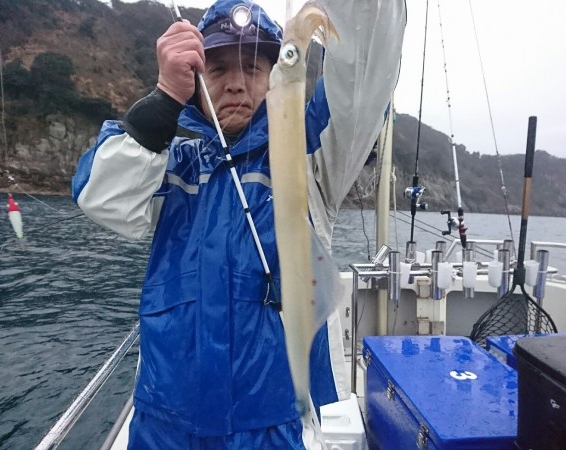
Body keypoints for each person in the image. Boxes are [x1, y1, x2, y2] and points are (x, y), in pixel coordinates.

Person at [72, 0, 406, 448]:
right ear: (196, 84)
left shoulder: (314, 153)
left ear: (275, 77)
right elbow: (101, 196)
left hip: (276, 429)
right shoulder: (169, 166)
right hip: (162, 428)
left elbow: (367, 59)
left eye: (252, 67)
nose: (235, 83)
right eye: (217, 69)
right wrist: (164, 97)